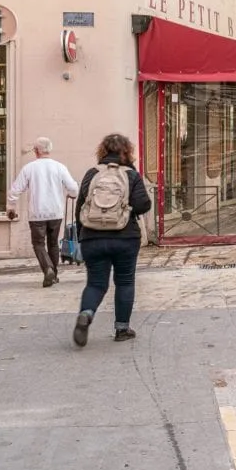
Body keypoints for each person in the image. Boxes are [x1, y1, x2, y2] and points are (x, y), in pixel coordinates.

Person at [71, 134, 152, 346]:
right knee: (124, 281)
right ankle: (122, 329)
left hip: (92, 237)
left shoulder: (92, 173)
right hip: (125, 237)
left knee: (96, 283)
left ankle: (87, 314)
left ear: (102, 151)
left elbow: (80, 206)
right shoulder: (131, 175)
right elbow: (143, 205)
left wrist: (82, 236)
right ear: (127, 151)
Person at [6, 137, 79, 287]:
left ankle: (48, 270)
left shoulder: (29, 168)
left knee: (38, 243)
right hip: (55, 212)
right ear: (49, 150)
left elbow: (15, 190)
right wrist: (72, 194)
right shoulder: (59, 167)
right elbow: (73, 188)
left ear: (36, 151)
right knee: (53, 244)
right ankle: (54, 274)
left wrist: (11, 206)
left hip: (37, 213)